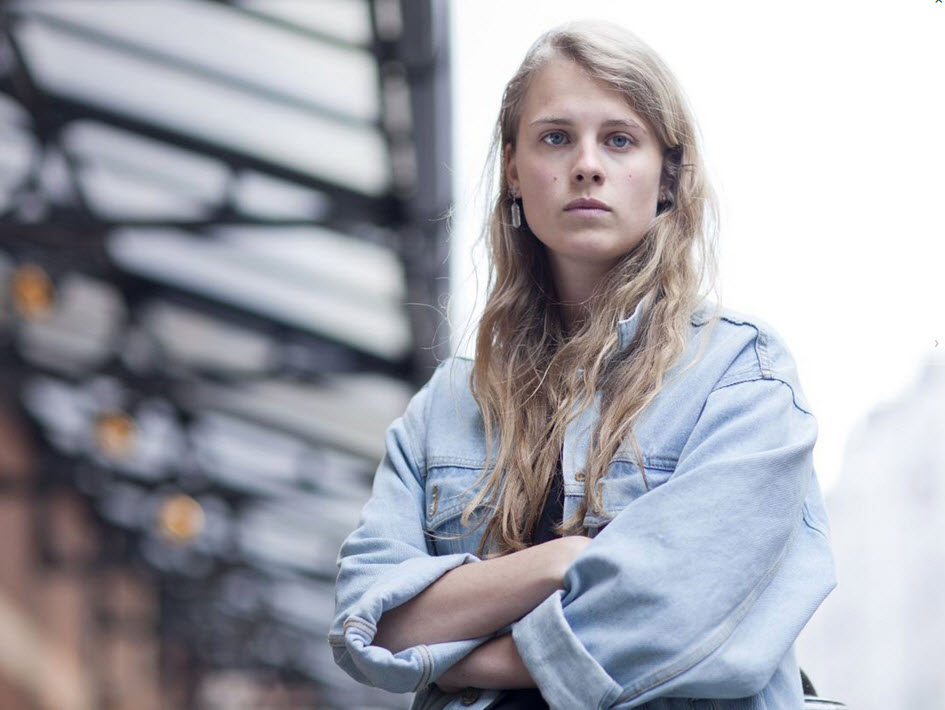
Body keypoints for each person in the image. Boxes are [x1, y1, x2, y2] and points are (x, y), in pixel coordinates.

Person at [329, 20, 836, 710]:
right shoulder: (447, 405)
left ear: (667, 177)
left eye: (619, 139)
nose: (587, 165)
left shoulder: (740, 375)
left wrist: (462, 659)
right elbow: (373, 622)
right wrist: (564, 563)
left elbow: (674, 617)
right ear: (513, 169)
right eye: (555, 137)